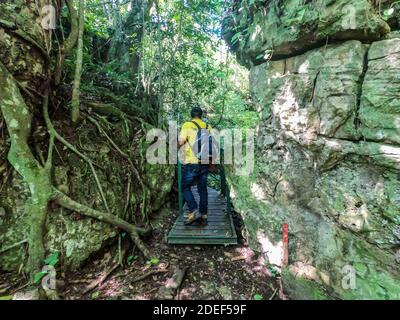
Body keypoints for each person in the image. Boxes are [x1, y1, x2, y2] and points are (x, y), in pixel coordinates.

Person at [178, 106, 214, 226]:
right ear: (201, 115)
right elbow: (212, 144)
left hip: (191, 162)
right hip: (204, 162)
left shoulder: (187, 125)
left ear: (191, 115)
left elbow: (180, 142)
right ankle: (204, 215)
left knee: (184, 186)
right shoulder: (208, 127)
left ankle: (194, 210)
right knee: (202, 189)